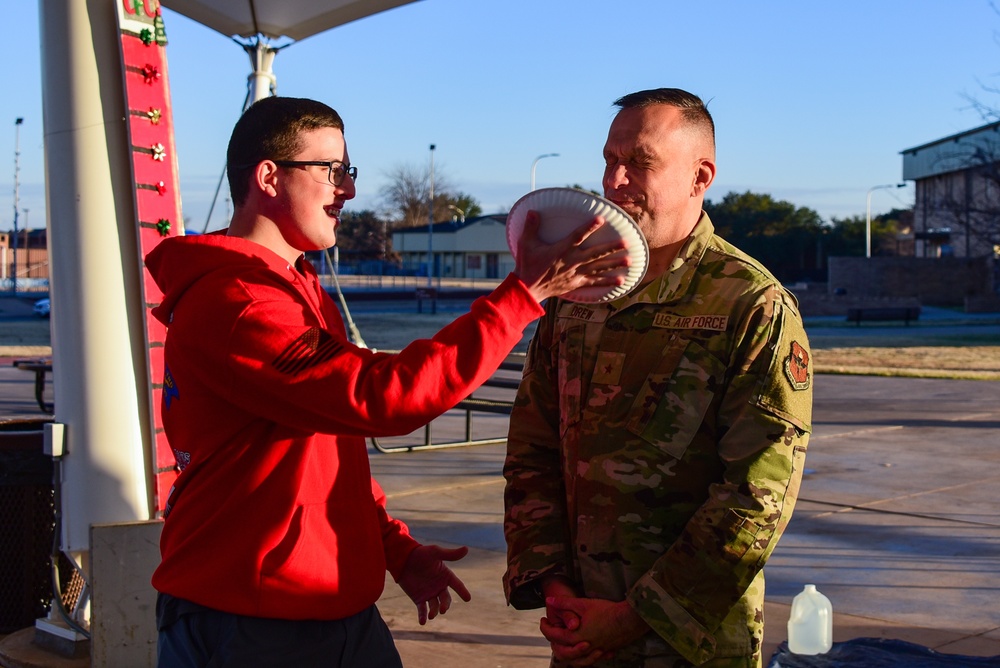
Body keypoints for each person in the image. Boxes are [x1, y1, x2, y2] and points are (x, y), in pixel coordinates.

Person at [145, 95, 629, 668]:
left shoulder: (293, 290)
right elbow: (384, 398)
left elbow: (331, 448)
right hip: (252, 621)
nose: (347, 190)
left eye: (348, 172)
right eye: (331, 171)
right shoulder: (240, 304)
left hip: (327, 612)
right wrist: (522, 297)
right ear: (269, 177)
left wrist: (393, 550)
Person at [502, 88, 813, 667]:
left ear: (701, 176)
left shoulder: (751, 304)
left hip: (689, 642)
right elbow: (532, 449)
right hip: (580, 631)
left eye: (640, 162)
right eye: (608, 159)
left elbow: (756, 494)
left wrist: (632, 617)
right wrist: (556, 589)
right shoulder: (578, 291)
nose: (614, 180)